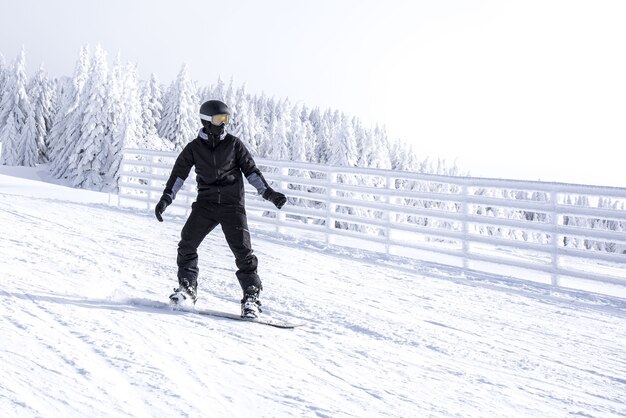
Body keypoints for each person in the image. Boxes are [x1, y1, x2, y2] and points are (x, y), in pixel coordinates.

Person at [154, 100, 287, 318]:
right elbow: (178, 175)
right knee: (187, 243)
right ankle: (187, 289)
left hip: (232, 205)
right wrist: (166, 199)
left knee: (243, 252)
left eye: (226, 119)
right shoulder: (194, 148)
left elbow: (251, 172)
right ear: (206, 121)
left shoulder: (234, 145)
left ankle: (251, 299)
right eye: (219, 120)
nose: (224, 124)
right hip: (206, 204)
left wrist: (269, 193)